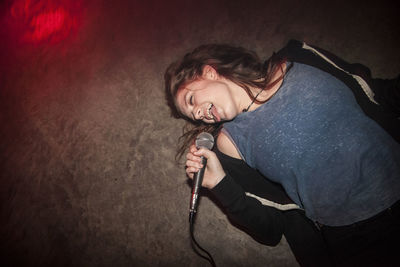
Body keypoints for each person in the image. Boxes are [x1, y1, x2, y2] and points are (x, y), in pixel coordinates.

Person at [165, 39, 400, 266]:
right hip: (360, 237)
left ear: (209, 72)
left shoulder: (299, 56)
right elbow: (271, 230)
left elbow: (373, 92)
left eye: (191, 100)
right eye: (191, 114)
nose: (197, 114)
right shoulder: (230, 144)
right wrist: (219, 183)